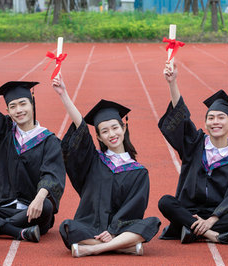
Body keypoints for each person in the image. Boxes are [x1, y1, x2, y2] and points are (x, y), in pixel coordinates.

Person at [0, 51, 65, 242]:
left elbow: (52, 174)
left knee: (47, 206)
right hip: (2, 206)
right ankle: (14, 230)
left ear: (32, 104)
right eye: (13, 106)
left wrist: (39, 198)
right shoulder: (6, 132)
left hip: (32, 211)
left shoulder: (49, 140)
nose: (19, 110)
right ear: (8, 110)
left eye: (23, 104)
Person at [52, 74, 161, 258]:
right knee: (67, 227)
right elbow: (81, 130)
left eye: (115, 127)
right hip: (90, 226)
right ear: (99, 137)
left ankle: (94, 248)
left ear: (123, 128)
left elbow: (134, 208)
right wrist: (64, 94)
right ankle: (124, 246)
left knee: (151, 223)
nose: (111, 134)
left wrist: (113, 230)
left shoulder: (139, 172)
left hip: (121, 228)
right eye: (104, 131)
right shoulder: (94, 161)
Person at [158, 62, 228, 245]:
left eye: (221, 118)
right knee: (165, 202)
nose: (215, 122)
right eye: (211, 118)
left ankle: (191, 229)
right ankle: (213, 235)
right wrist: (172, 83)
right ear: (205, 124)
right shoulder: (195, 144)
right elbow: (182, 118)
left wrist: (213, 219)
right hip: (189, 209)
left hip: (219, 213)